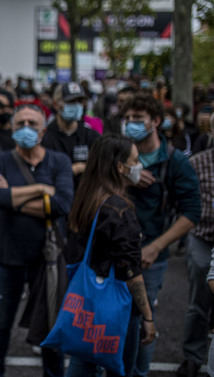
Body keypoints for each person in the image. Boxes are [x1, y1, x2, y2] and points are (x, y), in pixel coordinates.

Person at [0, 103, 74, 377]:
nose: (26, 129)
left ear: (43, 130)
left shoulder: (59, 161)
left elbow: (62, 204)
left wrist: (13, 198)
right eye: (20, 123)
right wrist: (38, 189)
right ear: (12, 129)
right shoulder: (1, 160)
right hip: (7, 256)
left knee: (50, 324)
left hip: (46, 259)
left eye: (32, 124)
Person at [121, 93, 201, 377]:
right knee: (111, 322)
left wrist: (156, 247)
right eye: (127, 119)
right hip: (113, 254)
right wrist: (124, 172)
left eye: (137, 119)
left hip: (149, 257)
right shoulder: (118, 156)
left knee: (142, 321)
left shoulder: (175, 162)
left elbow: (192, 213)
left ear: (155, 121)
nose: (130, 124)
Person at [64, 134, 156, 377]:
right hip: (118, 306)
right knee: (120, 368)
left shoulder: (86, 199)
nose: (139, 166)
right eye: (135, 161)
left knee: (82, 361)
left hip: (88, 302)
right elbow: (131, 272)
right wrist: (147, 316)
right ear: (120, 167)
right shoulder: (120, 209)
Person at [176, 146, 214, 377]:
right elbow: (185, 199)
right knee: (200, 300)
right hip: (204, 237)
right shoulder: (197, 162)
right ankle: (192, 356)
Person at [43, 82, 100, 190]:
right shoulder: (45, 137)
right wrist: (75, 169)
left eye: (79, 101)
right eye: (71, 101)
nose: (77, 106)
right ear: (56, 104)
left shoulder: (91, 136)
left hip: (85, 198)